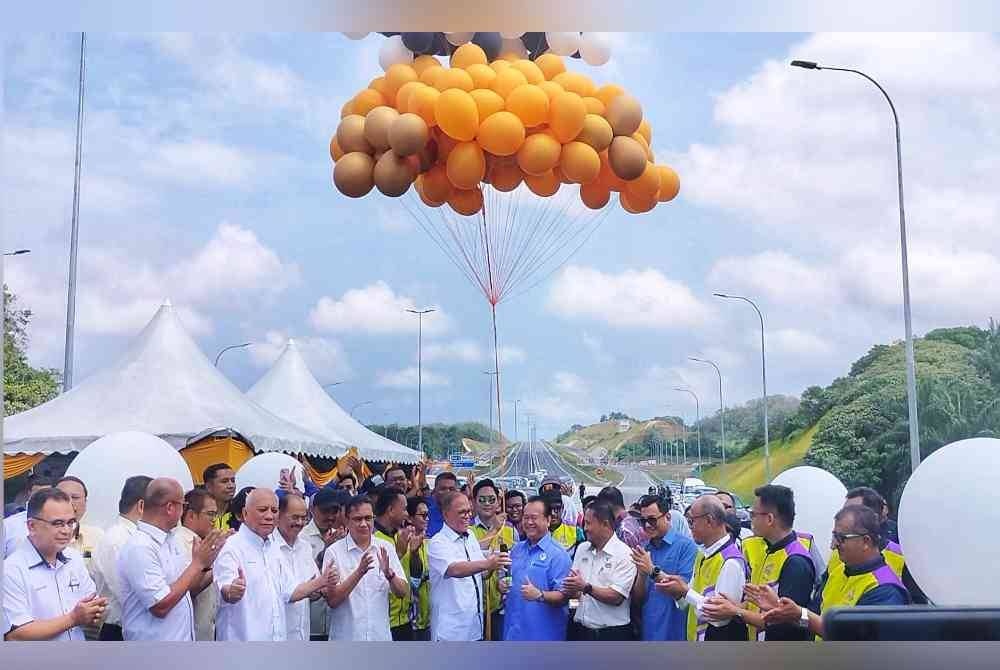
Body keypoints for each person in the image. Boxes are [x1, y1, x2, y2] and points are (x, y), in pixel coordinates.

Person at [756, 504, 909, 639]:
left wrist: (799, 614)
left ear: (866, 541)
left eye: (841, 538)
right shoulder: (838, 571)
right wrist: (783, 610)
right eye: (834, 536)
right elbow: (813, 618)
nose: (833, 545)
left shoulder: (885, 590)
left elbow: (853, 639)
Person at [213, 488, 335, 641]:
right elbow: (224, 589)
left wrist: (322, 581)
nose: (269, 516)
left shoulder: (273, 548)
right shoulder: (231, 546)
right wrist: (231, 591)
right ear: (245, 513)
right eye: (262, 510)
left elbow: (290, 591)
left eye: (274, 510)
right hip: (242, 649)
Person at [118, 478, 228, 640]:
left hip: (179, 647)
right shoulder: (140, 547)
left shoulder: (171, 540)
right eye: (183, 505)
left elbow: (187, 590)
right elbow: (160, 606)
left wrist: (207, 562)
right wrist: (197, 563)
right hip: (153, 652)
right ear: (170, 507)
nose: (184, 511)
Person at [3, 488, 108, 640]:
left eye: (71, 522)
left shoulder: (74, 559)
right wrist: (73, 619)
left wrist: (95, 610)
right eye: (58, 523)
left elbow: (90, 603)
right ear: (32, 526)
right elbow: (16, 634)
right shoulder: (11, 571)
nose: (66, 531)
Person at [654, 496, 747, 641]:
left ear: (709, 520)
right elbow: (689, 602)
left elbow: (719, 618)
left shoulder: (731, 561)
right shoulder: (702, 555)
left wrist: (685, 590)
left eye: (692, 522)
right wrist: (677, 593)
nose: (690, 528)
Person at [321, 494, 408, 641]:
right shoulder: (334, 552)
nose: (364, 524)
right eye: (357, 519)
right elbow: (332, 600)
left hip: (379, 637)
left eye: (368, 518)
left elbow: (402, 592)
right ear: (347, 521)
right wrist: (359, 572)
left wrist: (390, 575)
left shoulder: (385, 547)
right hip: (347, 639)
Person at [736, 485, 817, 641]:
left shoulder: (796, 562)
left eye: (753, 514)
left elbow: (785, 620)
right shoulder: (769, 549)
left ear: (769, 519)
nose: (750, 519)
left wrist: (734, 611)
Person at [427, 490, 510, 641]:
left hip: (474, 628)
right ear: (446, 515)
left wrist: (494, 565)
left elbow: (481, 573)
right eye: (462, 512)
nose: (468, 516)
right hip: (450, 632)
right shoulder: (438, 542)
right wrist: (488, 563)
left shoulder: (470, 535)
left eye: (469, 511)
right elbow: (454, 569)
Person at [562, 500, 637, 641]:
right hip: (581, 631)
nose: (585, 528)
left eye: (589, 523)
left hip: (611, 635)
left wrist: (585, 587)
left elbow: (616, 597)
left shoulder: (625, 554)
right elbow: (575, 591)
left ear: (605, 524)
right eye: (585, 523)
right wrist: (572, 589)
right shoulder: (582, 548)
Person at [502, 495, 572, 641]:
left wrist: (540, 595)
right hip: (513, 633)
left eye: (534, 518)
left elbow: (564, 597)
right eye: (525, 517)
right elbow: (508, 580)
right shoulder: (516, 549)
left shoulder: (558, 555)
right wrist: (501, 584)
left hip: (543, 636)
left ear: (548, 520)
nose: (529, 522)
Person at [629, 494, 698, 641]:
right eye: (643, 521)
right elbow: (638, 600)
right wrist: (641, 575)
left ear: (667, 517)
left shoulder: (686, 547)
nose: (647, 525)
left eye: (652, 520)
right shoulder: (644, 548)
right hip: (650, 630)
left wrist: (652, 570)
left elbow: (683, 591)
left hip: (675, 630)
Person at [92, 475, 152, 640]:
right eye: (158, 505)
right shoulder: (118, 540)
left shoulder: (133, 537)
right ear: (141, 505)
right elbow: (132, 594)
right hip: (119, 631)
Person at [300, 487, 351, 640]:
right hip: (310, 624)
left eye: (334, 511)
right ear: (313, 509)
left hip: (336, 624)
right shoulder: (301, 538)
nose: (330, 516)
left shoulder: (343, 537)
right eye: (325, 511)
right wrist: (326, 550)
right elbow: (303, 577)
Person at [471, 478, 517, 640]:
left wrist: (506, 582)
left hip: (501, 606)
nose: (487, 503)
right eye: (481, 499)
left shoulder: (510, 530)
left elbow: (515, 565)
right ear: (474, 502)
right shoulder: (467, 531)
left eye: (492, 499)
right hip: (473, 608)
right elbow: (472, 559)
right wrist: (494, 530)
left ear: (498, 502)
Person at [275, 492, 323, 641]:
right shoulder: (269, 548)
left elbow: (315, 587)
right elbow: (284, 593)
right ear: (278, 516)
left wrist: (317, 590)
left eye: (304, 518)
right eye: (295, 517)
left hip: (302, 634)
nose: (300, 522)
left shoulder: (305, 547)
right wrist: (317, 584)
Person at [175, 488, 222, 641]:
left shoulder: (205, 543)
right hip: (187, 638)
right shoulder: (178, 544)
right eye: (210, 514)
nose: (215, 519)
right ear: (191, 515)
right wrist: (216, 565)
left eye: (216, 514)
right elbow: (187, 591)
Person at [372, 487, 416, 641]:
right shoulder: (372, 539)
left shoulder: (401, 535)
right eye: (404, 509)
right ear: (390, 510)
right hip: (385, 623)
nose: (406, 514)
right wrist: (399, 553)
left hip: (405, 618)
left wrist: (414, 552)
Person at [54, 477, 104, 582]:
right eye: (62, 497)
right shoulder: (41, 538)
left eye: (75, 497)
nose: (69, 503)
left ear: (85, 503)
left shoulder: (97, 536)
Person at [406, 496, 432, 640]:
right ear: (410, 518)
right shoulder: (404, 543)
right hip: (412, 619)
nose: (427, 519)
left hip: (429, 618)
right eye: (423, 515)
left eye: (428, 515)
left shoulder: (429, 543)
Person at [203, 463, 237, 531]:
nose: (231, 486)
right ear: (209, 486)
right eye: (224, 481)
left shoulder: (240, 514)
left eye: (233, 481)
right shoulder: (200, 514)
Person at [426, 471, 458, 538]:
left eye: (451, 489)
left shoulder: (463, 515)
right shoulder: (425, 513)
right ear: (434, 490)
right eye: (443, 489)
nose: (447, 492)